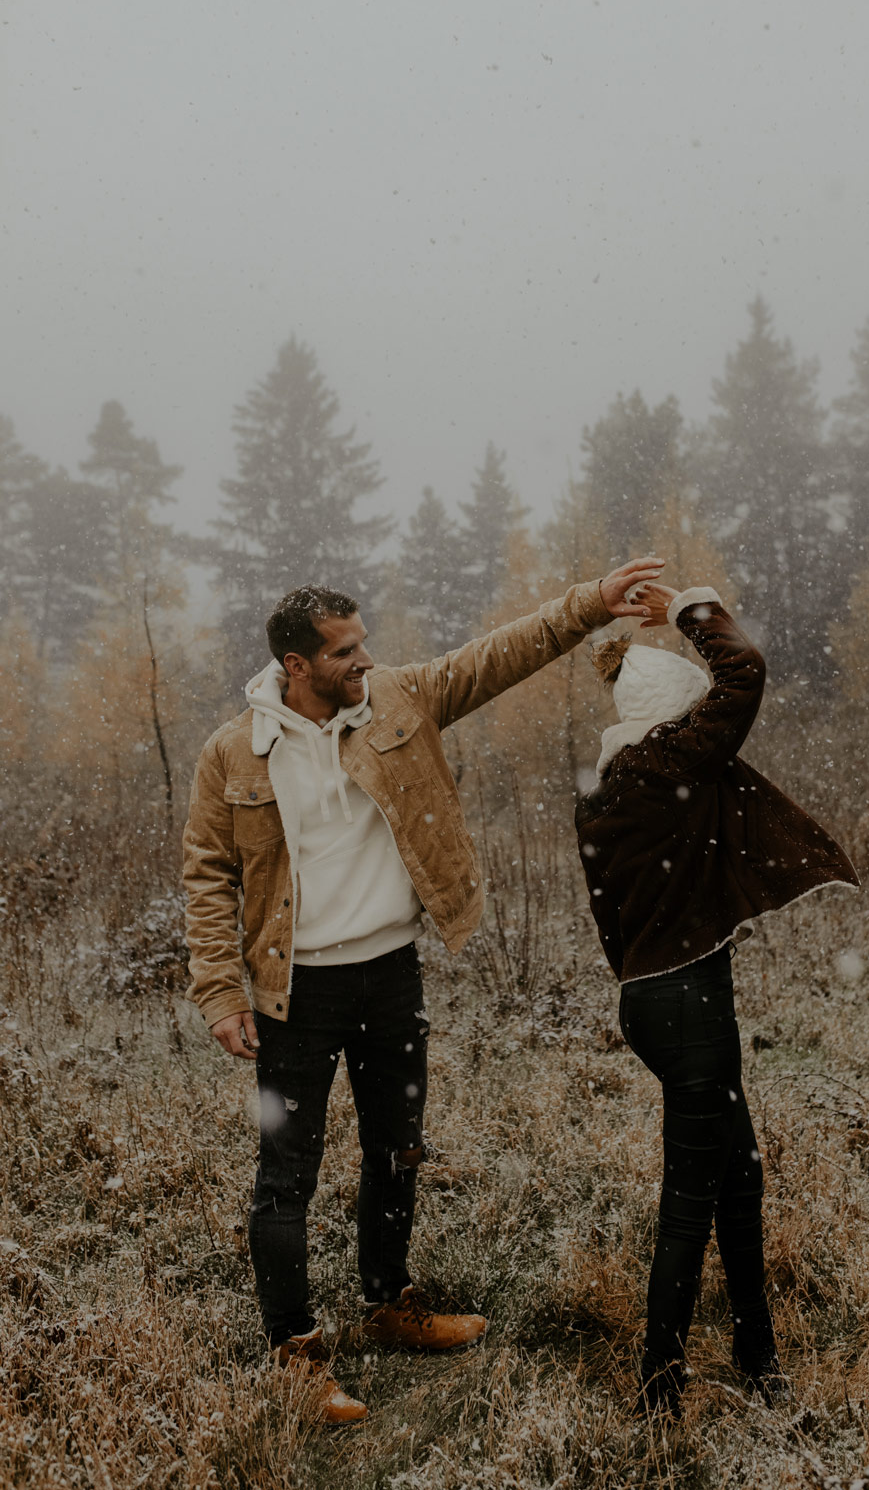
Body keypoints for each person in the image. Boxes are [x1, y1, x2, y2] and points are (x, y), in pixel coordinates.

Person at [182, 556, 663, 1424]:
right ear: (296, 666)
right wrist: (220, 993)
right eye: (343, 652)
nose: (364, 661)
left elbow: (498, 655)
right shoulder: (233, 753)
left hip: (390, 977)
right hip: (295, 995)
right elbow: (207, 875)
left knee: (398, 1151)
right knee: (285, 1177)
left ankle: (388, 1304)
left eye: (363, 643)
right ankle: (295, 1353)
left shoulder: (399, 700)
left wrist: (588, 604)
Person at [575, 582, 859, 1416]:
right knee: (689, 1199)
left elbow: (610, 923)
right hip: (692, 1013)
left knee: (739, 1176)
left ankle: (755, 1348)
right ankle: (660, 1385)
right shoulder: (673, 762)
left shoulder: (604, 789)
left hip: (652, 1005)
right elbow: (746, 671)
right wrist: (694, 608)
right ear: (673, 718)